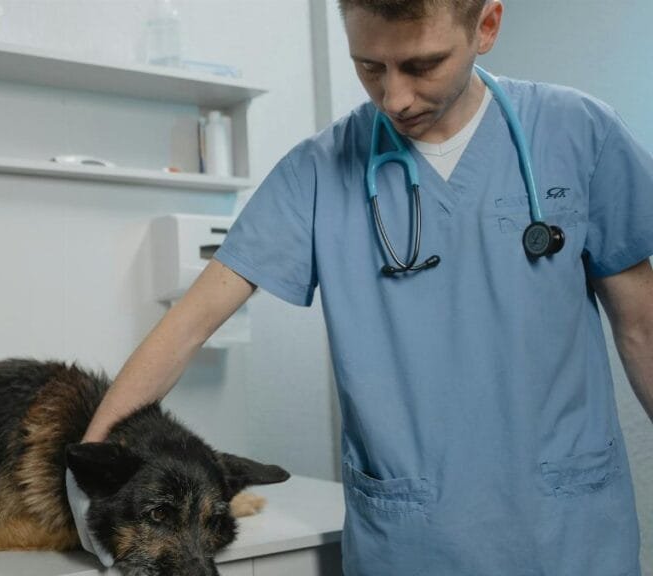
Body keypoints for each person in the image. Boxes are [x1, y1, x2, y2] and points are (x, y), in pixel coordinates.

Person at [79, 0, 653, 574]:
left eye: (421, 65)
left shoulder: (578, 134)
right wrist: (85, 479)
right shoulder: (319, 171)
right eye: (370, 67)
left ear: (487, 26)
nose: (395, 97)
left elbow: (642, 328)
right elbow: (188, 326)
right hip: (412, 545)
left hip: (571, 537)